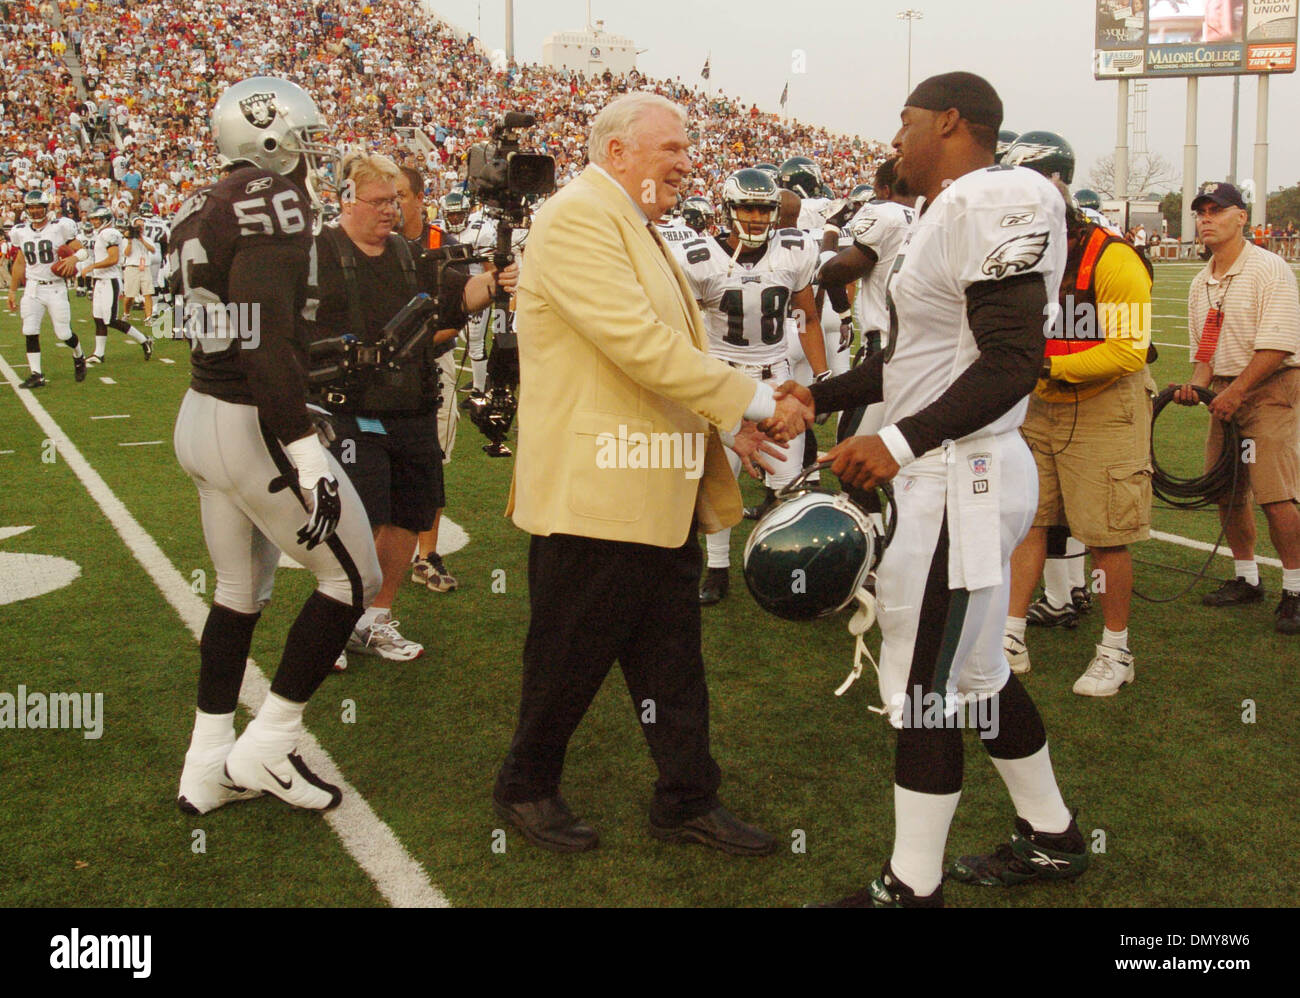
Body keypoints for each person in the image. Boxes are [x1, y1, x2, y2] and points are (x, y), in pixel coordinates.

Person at [764, 72, 1088, 906]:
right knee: (976, 676)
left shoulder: (998, 195)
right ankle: (1052, 835)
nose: (895, 140)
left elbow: (1015, 359)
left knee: (927, 694)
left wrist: (897, 439)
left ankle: (912, 888)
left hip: (962, 476)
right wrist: (819, 398)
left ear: (949, 121)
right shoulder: (947, 211)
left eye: (906, 122)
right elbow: (908, 361)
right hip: (952, 469)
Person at [493, 92, 782, 856]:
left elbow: (665, 348)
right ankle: (525, 785)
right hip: (600, 491)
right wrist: (751, 398)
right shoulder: (579, 216)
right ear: (617, 150)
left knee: (672, 661)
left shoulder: (632, 219)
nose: (687, 162)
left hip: (654, 483)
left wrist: (728, 423)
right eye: (672, 149)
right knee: (567, 658)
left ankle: (687, 796)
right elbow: (637, 344)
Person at [172, 77, 381, 815]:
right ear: (269, 137)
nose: (310, 155)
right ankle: (265, 748)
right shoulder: (271, 200)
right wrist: (307, 449)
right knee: (350, 581)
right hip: (251, 420)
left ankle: (204, 762)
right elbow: (260, 336)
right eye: (304, 138)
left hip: (200, 413)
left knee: (238, 593)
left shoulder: (202, 207)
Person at [311, 152, 510, 662]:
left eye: (395, 200)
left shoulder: (408, 253)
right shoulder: (317, 253)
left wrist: (496, 282)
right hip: (345, 409)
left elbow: (456, 298)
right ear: (346, 200)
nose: (390, 210)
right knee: (354, 520)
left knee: (407, 514)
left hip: (411, 406)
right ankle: (332, 620)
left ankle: (376, 617)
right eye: (378, 201)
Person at [1005, 173, 1154, 695]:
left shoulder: (1112, 258)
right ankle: (1011, 634)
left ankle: (1116, 649)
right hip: (1040, 404)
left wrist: (1044, 366)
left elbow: (1128, 348)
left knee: (1106, 531)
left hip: (1103, 403)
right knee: (1029, 519)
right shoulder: (1022, 255)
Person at [1173, 182, 1300, 634]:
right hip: (1225, 393)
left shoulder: (1269, 268)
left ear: (1241, 217)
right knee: (1225, 488)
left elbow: (1278, 346)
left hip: (1268, 388)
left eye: (1216, 210)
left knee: (1275, 492)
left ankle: (1295, 588)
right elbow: (1205, 351)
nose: (1206, 218)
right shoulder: (1200, 280)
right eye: (1200, 212)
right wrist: (1195, 387)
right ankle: (1246, 577)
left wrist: (1237, 391)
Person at [395, 164, 460, 594]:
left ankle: (426, 555)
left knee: (433, 455)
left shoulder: (443, 244)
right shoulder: (372, 241)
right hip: (383, 367)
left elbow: (457, 314)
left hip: (433, 359)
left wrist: (413, 346)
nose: (393, 204)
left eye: (400, 195)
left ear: (420, 197)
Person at [7, 190, 87, 388]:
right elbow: (19, 262)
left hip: (55, 288)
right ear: (27, 209)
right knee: (29, 330)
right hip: (33, 288)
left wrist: (74, 258)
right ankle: (36, 374)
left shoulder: (59, 228)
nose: (35, 211)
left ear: (46, 207)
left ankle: (79, 354)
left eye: (38, 207)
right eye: (31, 207)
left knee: (63, 334)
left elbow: (83, 250)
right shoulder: (20, 231)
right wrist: (12, 290)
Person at [77, 205, 153, 364]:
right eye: (93, 219)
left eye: (97, 219)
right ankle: (99, 354)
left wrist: (91, 267)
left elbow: (112, 259)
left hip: (110, 280)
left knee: (110, 320)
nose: (94, 222)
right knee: (98, 318)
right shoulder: (103, 234)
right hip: (100, 281)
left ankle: (144, 340)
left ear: (105, 219)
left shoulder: (109, 233)